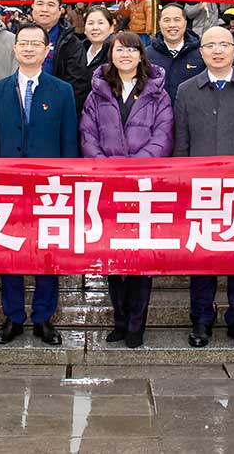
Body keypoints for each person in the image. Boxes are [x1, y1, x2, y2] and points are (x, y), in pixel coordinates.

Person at [173, 26, 234, 349]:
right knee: (202, 256)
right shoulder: (187, 90)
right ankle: (201, 317)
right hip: (201, 191)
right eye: (210, 45)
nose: (217, 51)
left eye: (224, 44)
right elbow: (181, 145)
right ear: (201, 52)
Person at [0, 23, 79, 346]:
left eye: (35, 43)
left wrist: (66, 183)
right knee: (9, 251)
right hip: (7, 186)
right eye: (23, 43)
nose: (28, 48)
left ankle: (43, 317)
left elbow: (69, 143)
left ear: (46, 50)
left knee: (47, 253)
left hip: (49, 188)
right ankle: (13, 316)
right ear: (14, 48)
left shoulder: (62, 91)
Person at [80, 32, 172, 348]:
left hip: (144, 188)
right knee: (113, 258)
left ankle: (136, 325)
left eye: (132, 50)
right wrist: (109, 169)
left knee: (141, 260)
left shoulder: (158, 93)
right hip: (109, 187)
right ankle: (119, 320)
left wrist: (134, 169)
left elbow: (163, 137)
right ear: (111, 55)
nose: (126, 55)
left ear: (141, 55)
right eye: (120, 50)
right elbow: (88, 135)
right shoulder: (98, 92)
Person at [146, 3, 205, 104]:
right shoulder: (147, 55)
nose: (172, 25)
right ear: (159, 23)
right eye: (166, 20)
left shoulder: (201, 53)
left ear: (185, 23)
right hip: (157, 112)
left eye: (177, 20)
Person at [72, 6, 115, 112]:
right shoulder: (77, 51)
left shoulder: (116, 54)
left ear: (111, 28)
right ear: (85, 29)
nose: (95, 27)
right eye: (90, 23)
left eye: (100, 23)